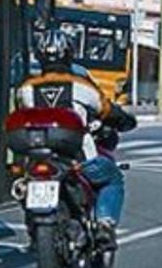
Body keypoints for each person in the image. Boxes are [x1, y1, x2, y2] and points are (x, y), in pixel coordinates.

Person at [16, 29, 137, 247]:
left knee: (25, 184)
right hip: (79, 162)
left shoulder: (26, 89)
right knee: (112, 178)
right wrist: (124, 119)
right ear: (69, 55)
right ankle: (104, 225)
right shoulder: (82, 86)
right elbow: (107, 110)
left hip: (37, 160)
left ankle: (34, 229)